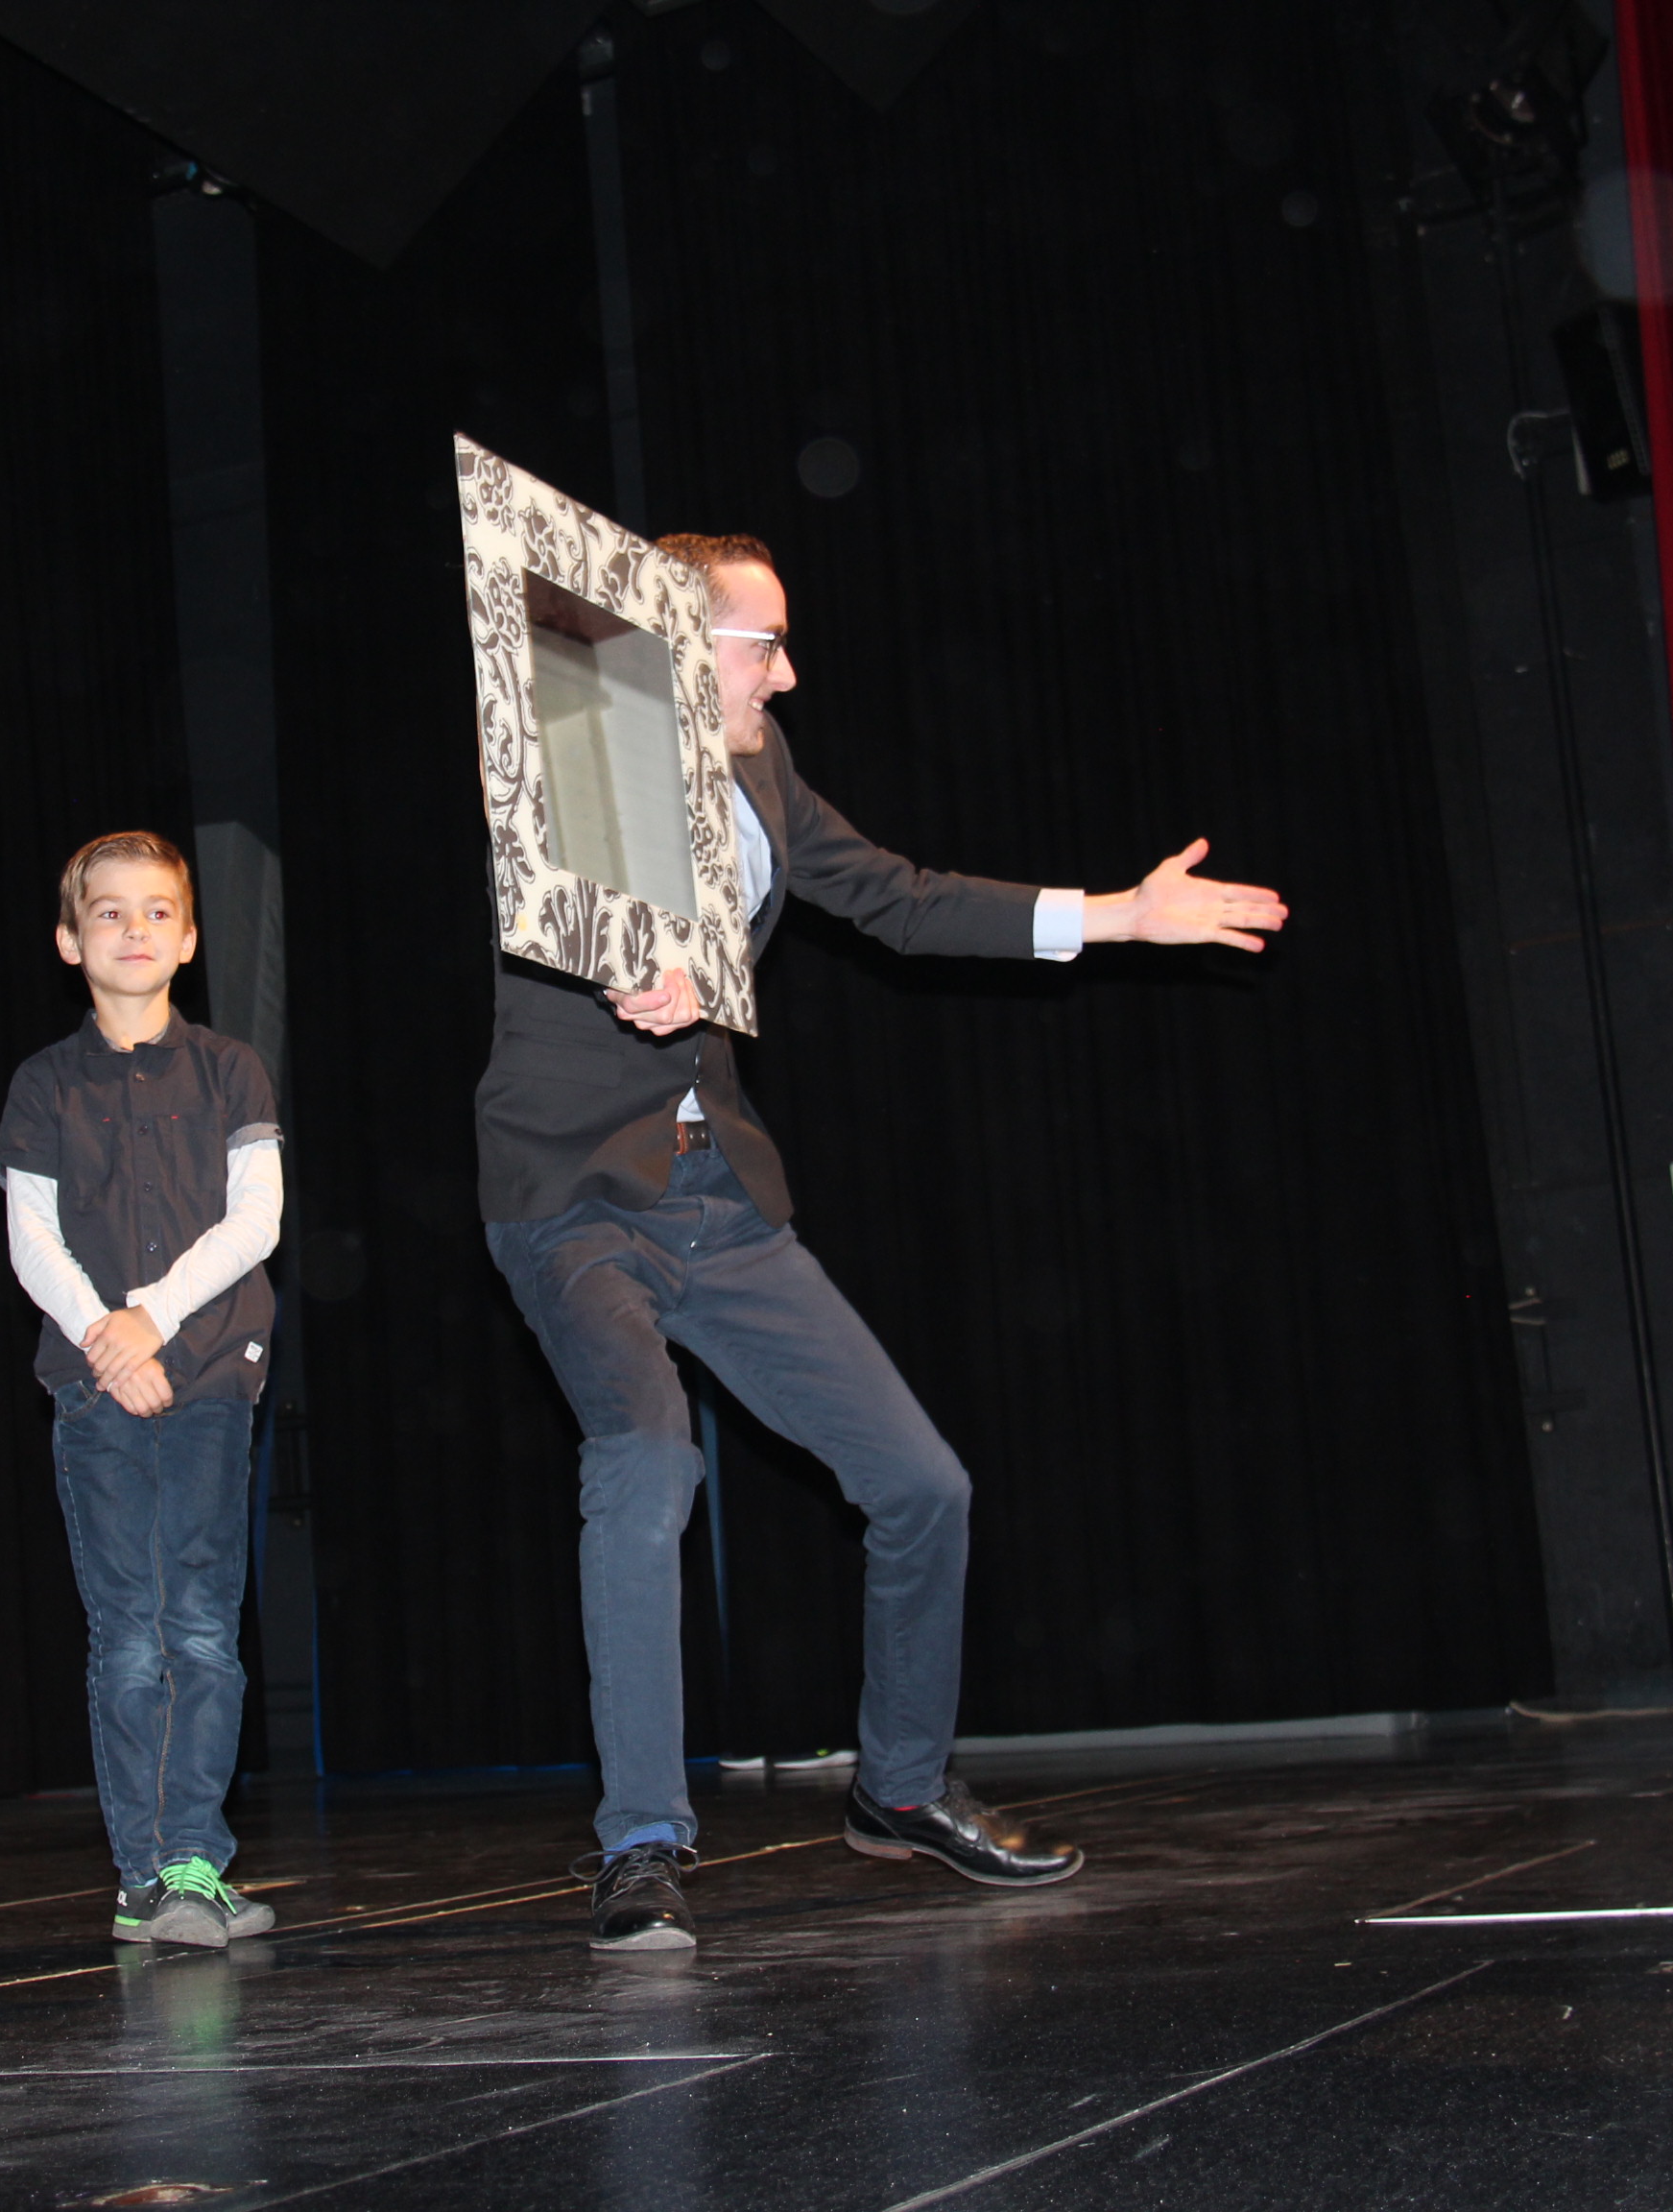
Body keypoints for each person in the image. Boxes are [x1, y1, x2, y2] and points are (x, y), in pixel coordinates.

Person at [478, 535, 1289, 1951]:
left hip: (716, 1193)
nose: (787, 674)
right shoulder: (570, 749)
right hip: (575, 1196)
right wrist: (637, 967)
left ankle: (900, 1789)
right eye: (764, 644)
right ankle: (643, 1841)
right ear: (679, 640)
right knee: (648, 1457)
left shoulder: (766, 771)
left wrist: (1119, 916)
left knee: (922, 1485)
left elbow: (901, 899)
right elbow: (572, 908)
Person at [0, 830, 286, 1947]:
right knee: (128, 1629)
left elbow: (255, 1220)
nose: (134, 929)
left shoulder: (231, 1068)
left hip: (208, 1376)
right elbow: (31, 1237)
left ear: (191, 938)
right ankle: (142, 1878)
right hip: (94, 1390)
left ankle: (193, 1862)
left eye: (158, 910)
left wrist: (151, 1319)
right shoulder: (44, 1084)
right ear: (71, 941)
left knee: (201, 1623)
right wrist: (105, 1342)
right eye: (108, 913)